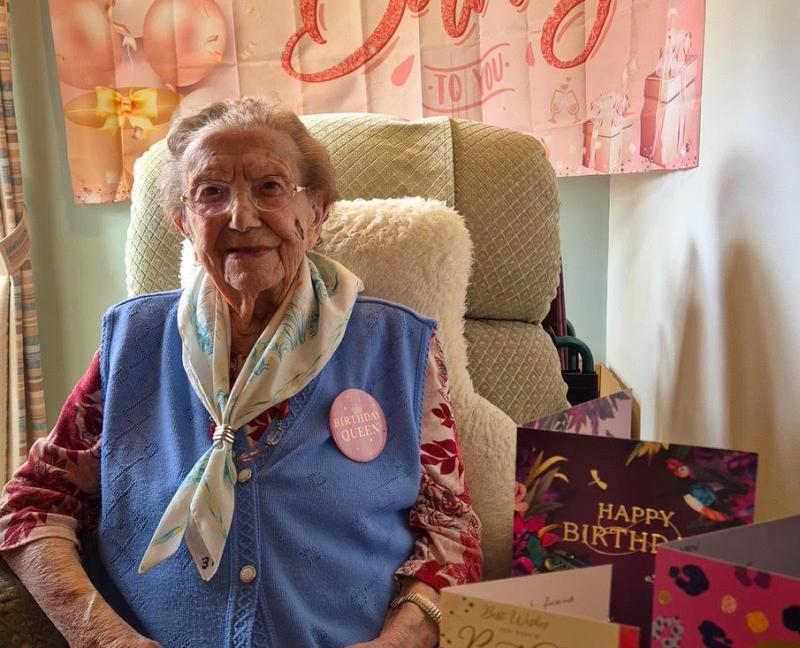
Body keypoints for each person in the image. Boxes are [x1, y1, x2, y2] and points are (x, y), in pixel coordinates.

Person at [0, 97, 482, 648]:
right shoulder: (135, 340)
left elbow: (450, 529)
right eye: (212, 193)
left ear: (318, 212)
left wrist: (400, 640)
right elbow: (34, 502)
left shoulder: (397, 348)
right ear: (184, 223)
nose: (242, 216)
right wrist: (103, 637)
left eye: (270, 187)